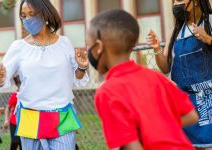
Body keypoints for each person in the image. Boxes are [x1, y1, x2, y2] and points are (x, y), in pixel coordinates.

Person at [87, 9, 199, 150]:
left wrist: (146, 132)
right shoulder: (155, 76)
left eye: (88, 44)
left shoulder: (106, 92)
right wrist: (158, 128)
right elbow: (192, 115)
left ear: (98, 47)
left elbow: (133, 147)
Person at [0, 0, 89, 149]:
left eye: (32, 14)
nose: (27, 19)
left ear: (45, 14)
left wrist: (81, 67)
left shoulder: (64, 43)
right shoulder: (18, 47)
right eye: (23, 16)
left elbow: (78, 79)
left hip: (62, 116)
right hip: (30, 117)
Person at [147, 0, 212, 149]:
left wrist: (208, 39)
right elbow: (165, 67)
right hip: (185, 105)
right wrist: (157, 48)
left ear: (195, 2)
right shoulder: (176, 30)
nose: (177, 4)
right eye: (174, 1)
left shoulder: (210, 21)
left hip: (208, 103)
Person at [4, 76, 22, 150]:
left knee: (22, 143)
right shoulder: (15, 95)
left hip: (25, 123)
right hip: (14, 123)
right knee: (15, 142)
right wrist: (6, 120)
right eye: (20, 83)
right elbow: (8, 107)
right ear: (17, 84)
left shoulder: (29, 96)